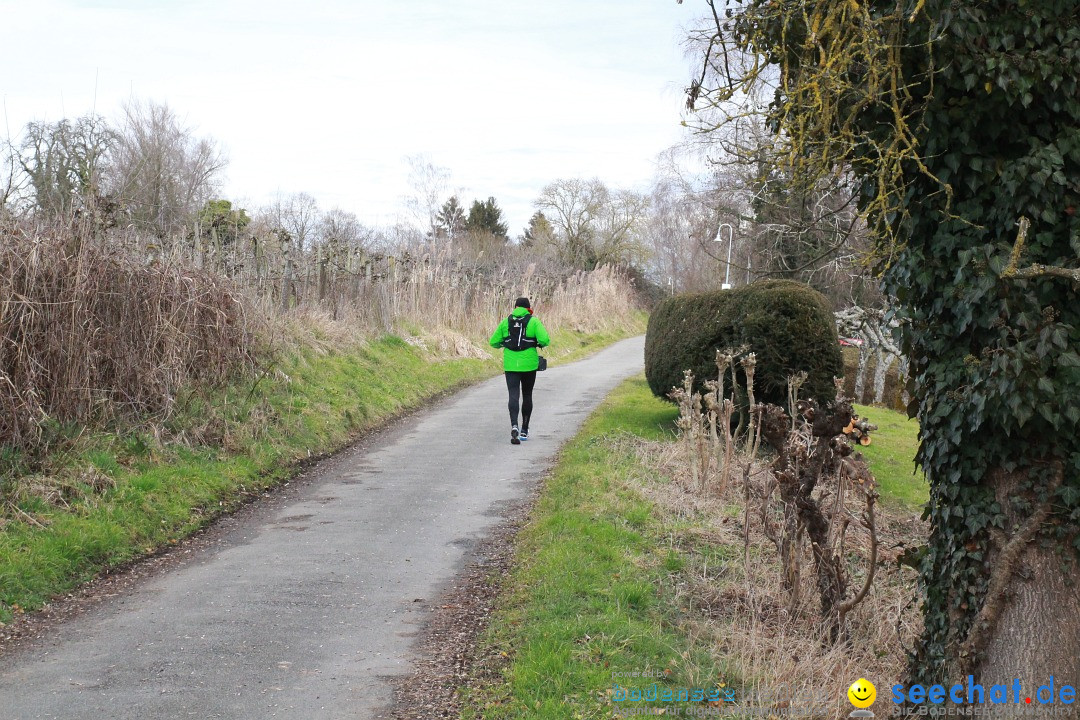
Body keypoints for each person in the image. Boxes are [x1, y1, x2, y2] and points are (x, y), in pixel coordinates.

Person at [489, 296, 550, 445]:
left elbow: (493, 342)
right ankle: (524, 430)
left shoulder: (506, 322)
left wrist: (505, 344)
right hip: (529, 364)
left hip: (510, 365)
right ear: (529, 308)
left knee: (513, 395)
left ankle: (514, 425)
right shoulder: (534, 321)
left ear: (515, 307)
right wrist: (535, 343)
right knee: (527, 395)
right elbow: (545, 340)